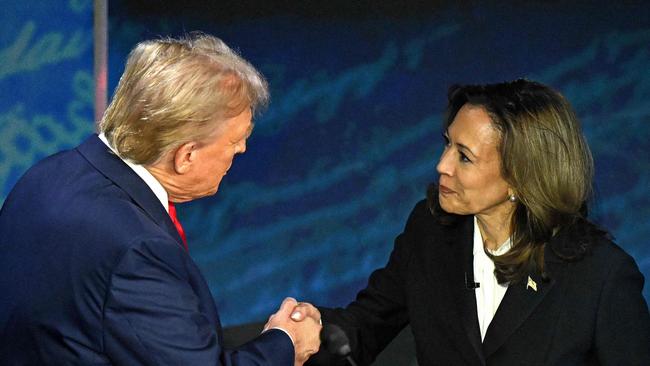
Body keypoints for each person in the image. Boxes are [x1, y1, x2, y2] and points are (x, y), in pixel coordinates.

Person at [0, 33, 321, 365]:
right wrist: (286, 344)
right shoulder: (138, 249)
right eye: (236, 141)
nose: (242, 149)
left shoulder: (47, 173)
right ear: (186, 155)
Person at [304, 79, 650, 365]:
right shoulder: (429, 232)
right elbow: (368, 323)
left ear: (520, 177)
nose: (443, 165)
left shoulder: (602, 277)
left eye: (464, 157)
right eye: (447, 145)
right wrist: (312, 330)